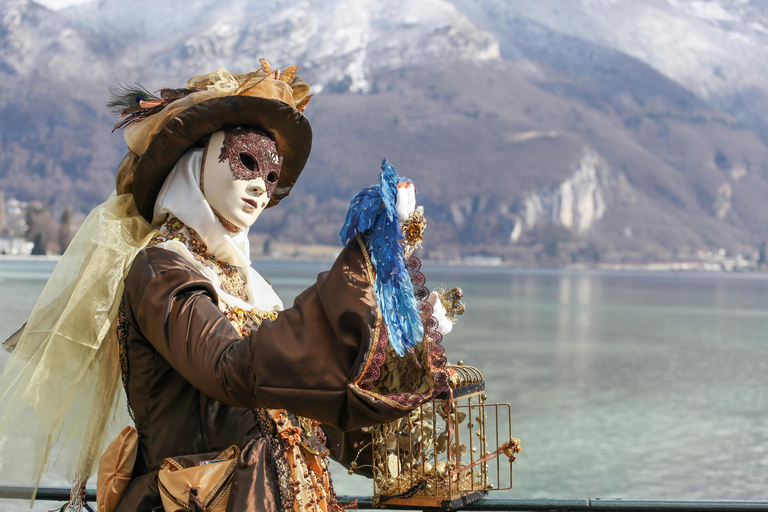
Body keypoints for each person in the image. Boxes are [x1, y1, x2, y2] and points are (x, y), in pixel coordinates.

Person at [0, 61, 457, 512]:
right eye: (247, 161)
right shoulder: (161, 270)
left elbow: (304, 416)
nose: (261, 187)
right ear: (197, 162)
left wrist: (403, 344)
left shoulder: (253, 286)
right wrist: (362, 272)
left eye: (272, 177)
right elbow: (232, 371)